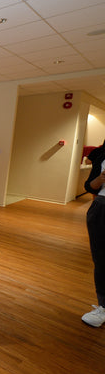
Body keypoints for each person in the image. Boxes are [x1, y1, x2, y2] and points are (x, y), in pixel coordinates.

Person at [82, 138, 105, 327]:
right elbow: (90, 185)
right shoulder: (102, 154)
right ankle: (103, 307)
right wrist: (101, 179)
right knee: (101, 259)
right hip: (101, 208)